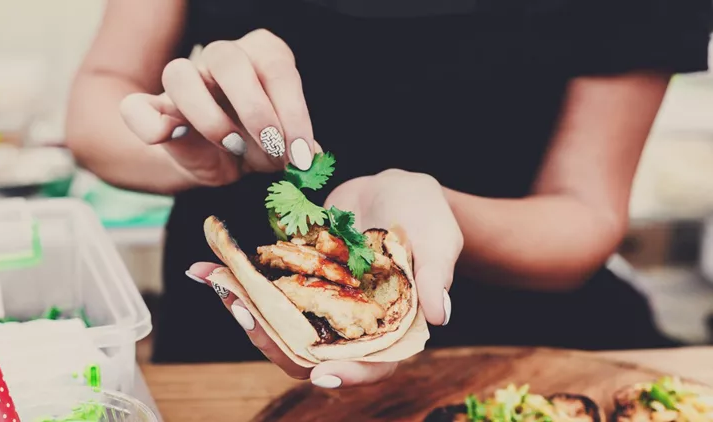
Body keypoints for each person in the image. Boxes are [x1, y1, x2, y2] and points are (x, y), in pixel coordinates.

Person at [66, 0, 711, 387]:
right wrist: (210, 157)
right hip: (231, 336)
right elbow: (96, 109)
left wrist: (424, 211)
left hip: (519, 335)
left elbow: (586, 212)